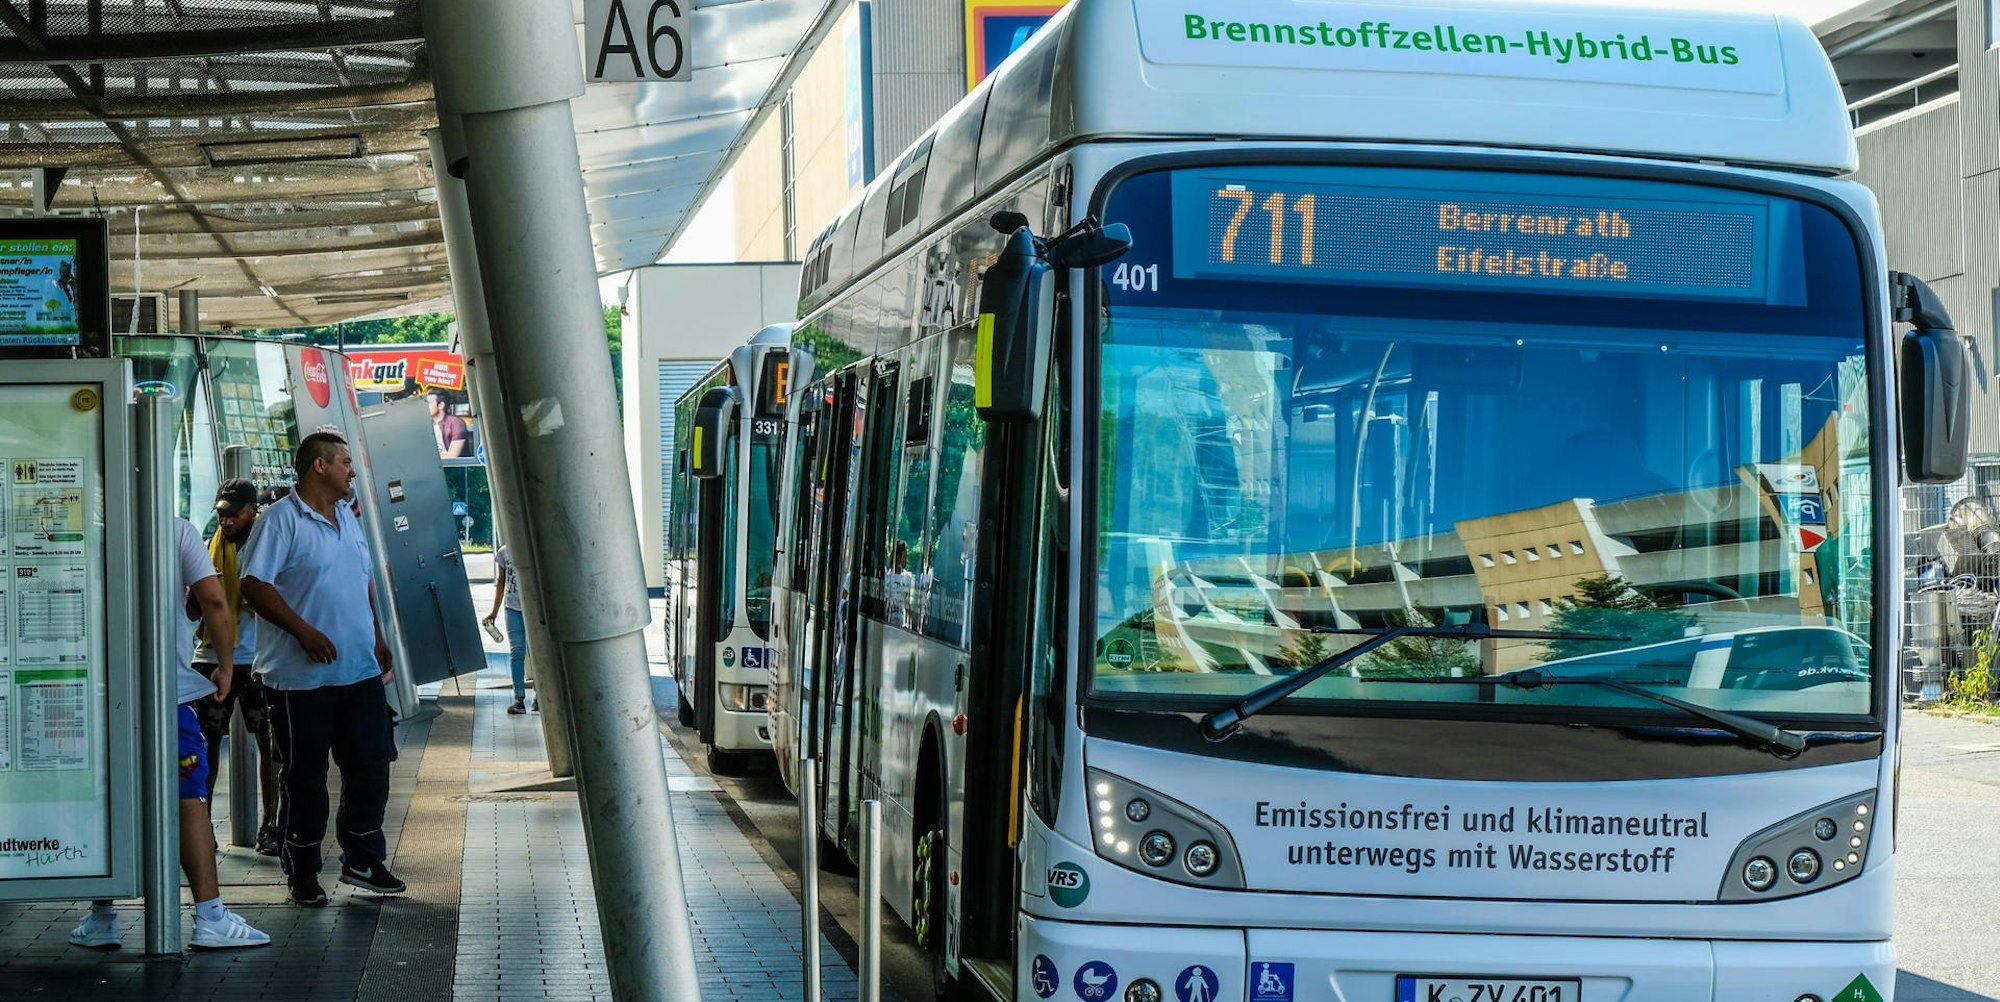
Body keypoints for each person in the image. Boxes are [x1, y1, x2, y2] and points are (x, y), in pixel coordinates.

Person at [69, 517, 271, 950]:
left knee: (108, 795)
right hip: (165, 692)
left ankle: (102, 916)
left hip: (98, 691)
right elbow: (213, 599)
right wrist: (226, 664)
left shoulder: (85, 527)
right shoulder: (175, 530)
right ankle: (210, 916)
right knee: (187, 797)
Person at [240, 432, 406, 906]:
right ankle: (303, 870)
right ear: (319, 466)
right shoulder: (280, 521)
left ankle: (363, 860)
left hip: (359, 672)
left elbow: (360, 582)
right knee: (306, 777)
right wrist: (303, 632)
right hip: (299, 682)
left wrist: (376, 636)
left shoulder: (348, 517)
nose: (351, 470)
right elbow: (254, 585)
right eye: (344, 462)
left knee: (372, 765)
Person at [191, 479, 282, 856]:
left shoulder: (267, 545)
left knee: (270, 744)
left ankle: (271, 824)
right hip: (212, 659)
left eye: (234, 513)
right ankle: (202, 826)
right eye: (222, 514)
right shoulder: (207, 548)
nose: (226, 521)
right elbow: (193, 609)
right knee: (204, 744)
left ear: (252, 510)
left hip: (259, 660)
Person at [482, 542, 533, 715]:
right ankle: (519, 699)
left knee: (536, 653)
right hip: (512, 608)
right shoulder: (504, 552)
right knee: (517, 651)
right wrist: (494, 612)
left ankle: (540, 696)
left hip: (534, 608)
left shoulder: (533, 548)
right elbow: (501, 582)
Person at [427, 388, 469, 458]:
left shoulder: (456, 423)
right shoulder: (426, 424)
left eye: (429, 403)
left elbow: (452, 456)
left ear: (441, 405)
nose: (426, 406)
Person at [884, 540, 916, 628]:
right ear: (898, 557)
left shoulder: (908, 577)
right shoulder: (887, 576)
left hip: (901, 622)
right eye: (904, 557)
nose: (906, 560)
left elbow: (908, 603)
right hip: (888, 621)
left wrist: (910, 624)